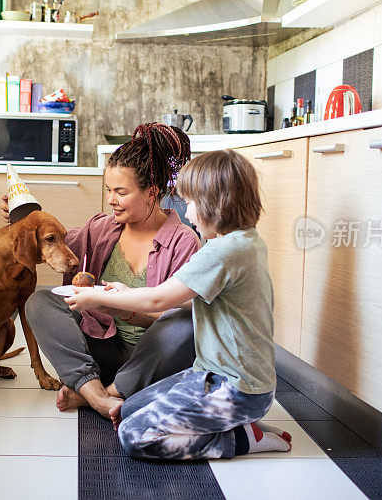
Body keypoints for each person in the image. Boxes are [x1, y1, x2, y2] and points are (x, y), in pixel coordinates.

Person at [65, 149, 292, 460]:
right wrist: (121, 292)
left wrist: (98, 297)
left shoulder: (221, 253)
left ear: (214, 205)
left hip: (234, 388)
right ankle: (239, 424)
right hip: (216, 377)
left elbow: (159, 297)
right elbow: (181, 302)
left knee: (134, 436)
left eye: (190, 203)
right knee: (129, 408)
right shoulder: (247, 242)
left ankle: (240, 438)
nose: (187, 213)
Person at [3, 122, 202, 419]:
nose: (111, 199)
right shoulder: (101, 228)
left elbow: (177, 316)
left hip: (153, 357)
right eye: (109, 190)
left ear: (152, 192)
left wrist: (114, 305)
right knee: (40, 302)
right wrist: (23, 219)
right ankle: (95, 390)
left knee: (186, 324)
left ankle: (100, 395)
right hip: (100, 351)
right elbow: (51, 242)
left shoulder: (183, 241)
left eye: (120, 192)